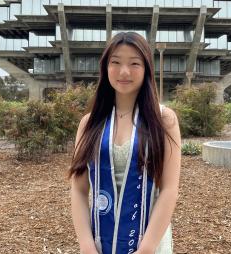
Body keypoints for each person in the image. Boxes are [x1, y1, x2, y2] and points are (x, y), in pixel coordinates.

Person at [68, 32, 181, 254]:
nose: (124, 71)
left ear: (147, 68)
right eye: (116, 62)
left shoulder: (164, 120)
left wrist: (146, 248)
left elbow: (169, 190)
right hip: (100, 241)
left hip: (149, 241)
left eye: (134, 63)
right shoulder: (89, 124)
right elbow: (79, 190)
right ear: (105, 67)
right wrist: (86, 245)